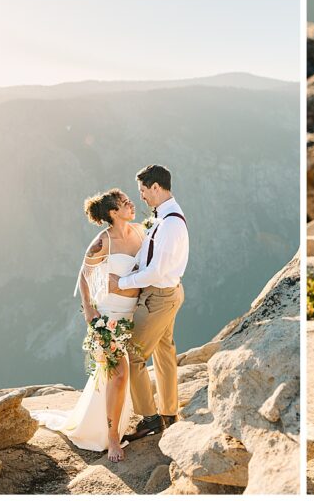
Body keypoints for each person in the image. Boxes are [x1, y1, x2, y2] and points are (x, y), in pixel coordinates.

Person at [32, 189, 142, 462]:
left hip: (132, 315)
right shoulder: (101, 242)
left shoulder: (140, 232)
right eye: (125, 203)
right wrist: (90, 312)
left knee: (117, 376)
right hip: (108, 317)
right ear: (113, 212)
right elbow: (84, 275)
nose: (131, 204)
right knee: (118, 375)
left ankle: (108, 424)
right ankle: (113, 438)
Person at [108, 164, 189, 442]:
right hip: (169, 294)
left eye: (143, 190)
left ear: (156, 187)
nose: (141, 196)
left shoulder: (170, 224)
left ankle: (150, 418)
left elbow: (155, 271)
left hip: (159, 297)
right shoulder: (165, 219)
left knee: (133, 355)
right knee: (165, 351)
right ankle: (169, 412)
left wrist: (121, 284)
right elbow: (150, 258)